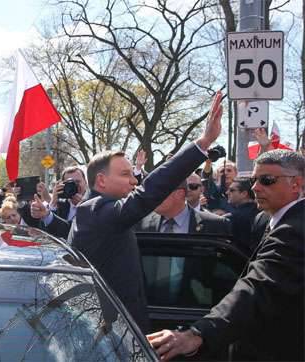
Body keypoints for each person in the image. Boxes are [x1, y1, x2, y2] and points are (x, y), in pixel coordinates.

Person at [69, 91, 224, 332]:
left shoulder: (103, 212)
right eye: (125, 175)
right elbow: (147, 193)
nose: (134, 181)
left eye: (133, 174)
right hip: (109, 335)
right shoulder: (94, 211)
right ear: (100, 181)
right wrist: (202, 144)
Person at [147, 149, 304, 361]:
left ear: (297, 183)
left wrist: (197, 333)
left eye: (267, 180)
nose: (256, 187)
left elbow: (257, 286)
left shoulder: (297, 229)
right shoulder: (263, 221)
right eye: (254, 180)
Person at [136, 178, 231, 235]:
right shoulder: (140, 224)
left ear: (179, 194)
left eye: (158, 192)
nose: (152, 197)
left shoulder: (215, 224)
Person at [31, 166, 87, 238]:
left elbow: (71, 232)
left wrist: (84, 205)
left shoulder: (93, 205)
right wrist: (53, 202)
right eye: (69, 183)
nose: (74, 186)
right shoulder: (60, 205)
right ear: (62, 185)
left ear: (85, 182)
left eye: (77, 182)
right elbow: (44, 232)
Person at [223, 177, 260, 255]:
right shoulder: (264, 213)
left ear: (244, 194)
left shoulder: (232, 218)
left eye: (232, 190)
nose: (227, 192)